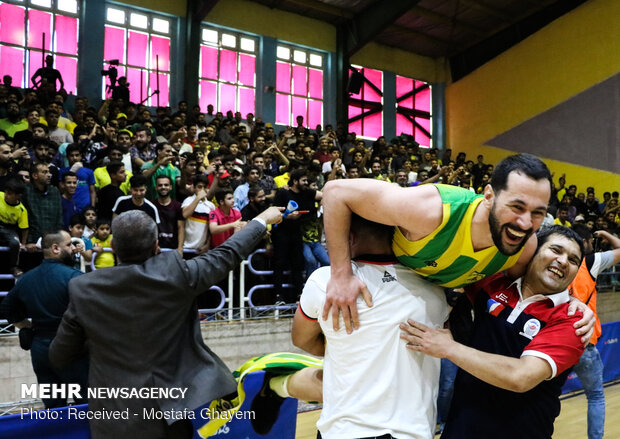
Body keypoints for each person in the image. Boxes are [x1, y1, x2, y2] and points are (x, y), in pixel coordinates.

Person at [49, 207, 283, 439]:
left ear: (115, 247)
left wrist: (99, 344)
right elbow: (226, 254)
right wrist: (261, 220)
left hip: (111, 417)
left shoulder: (83, 289)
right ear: (156, 246)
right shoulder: (176, 274)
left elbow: (59, 355)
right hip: (166, 415)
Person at [321, 153, 592, 335]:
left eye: (537, 212)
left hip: (429, 309)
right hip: (379, 284)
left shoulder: (524, 248)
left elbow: (534, 287)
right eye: (516, 207)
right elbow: (335, 193)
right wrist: (341, 274)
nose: (524, 223)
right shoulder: (430, 210)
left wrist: (572, 302)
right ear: (488, 196)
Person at [400, 225, 586, 439]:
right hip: (460, 429)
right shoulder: (494, 284)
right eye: (556, 250)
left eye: (573, 260)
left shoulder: (573, 321)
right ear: (533, 252)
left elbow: (521, 377)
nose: (563, 261)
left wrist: (450, 349)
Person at [290, 215, 448, 439]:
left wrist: (347, 348)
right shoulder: (434, 289)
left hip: (343, 432)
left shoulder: (324, 282)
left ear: (348, 238)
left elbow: (301, 338)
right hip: (412, 433)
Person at [0, 230, 88, 408]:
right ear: (55, 248)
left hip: (40, 350)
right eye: (69, 244)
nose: (73, 248)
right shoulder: (75, 278)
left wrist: (25, 325)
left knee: (53, 409)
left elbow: (6, 308)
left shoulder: (26, 279)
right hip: (72, 349)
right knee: (86, 407)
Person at [568, 226, 620, 439]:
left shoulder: (552, 262)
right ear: (587, 241)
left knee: (546, 396)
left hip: (556, 341)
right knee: (596, 396)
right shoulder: (590, 262)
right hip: (585, 342)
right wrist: (606, 234)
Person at [272, 168, 322, 304]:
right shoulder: (282, 193)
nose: (306, 183)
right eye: (303, 180)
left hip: (296, 234)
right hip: (281, 233)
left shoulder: (306, 193)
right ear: (295, 181)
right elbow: (273, 212)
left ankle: (299, 295)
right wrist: (286, 216)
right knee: (280, 264)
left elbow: (322, 195)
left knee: (298, 265)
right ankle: (278, 296)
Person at [0, 176, 28, 277]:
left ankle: (14, 267)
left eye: (10, 194)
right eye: (6, 192)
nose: (6, 195)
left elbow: (24, 229)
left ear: (18, 196)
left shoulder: (21, 210)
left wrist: (23, 244)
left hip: (9, 229)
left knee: (15, 243)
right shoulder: (0, 196)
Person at [153, 175, 184, 253]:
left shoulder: (178, 206)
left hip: (173, 249)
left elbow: (181, 227)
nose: (163, 187)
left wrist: (180, 248)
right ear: (156, 187)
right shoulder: (151, 206)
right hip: (156, 249)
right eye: (160, 185)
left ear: (170, 187)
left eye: (166, 185)